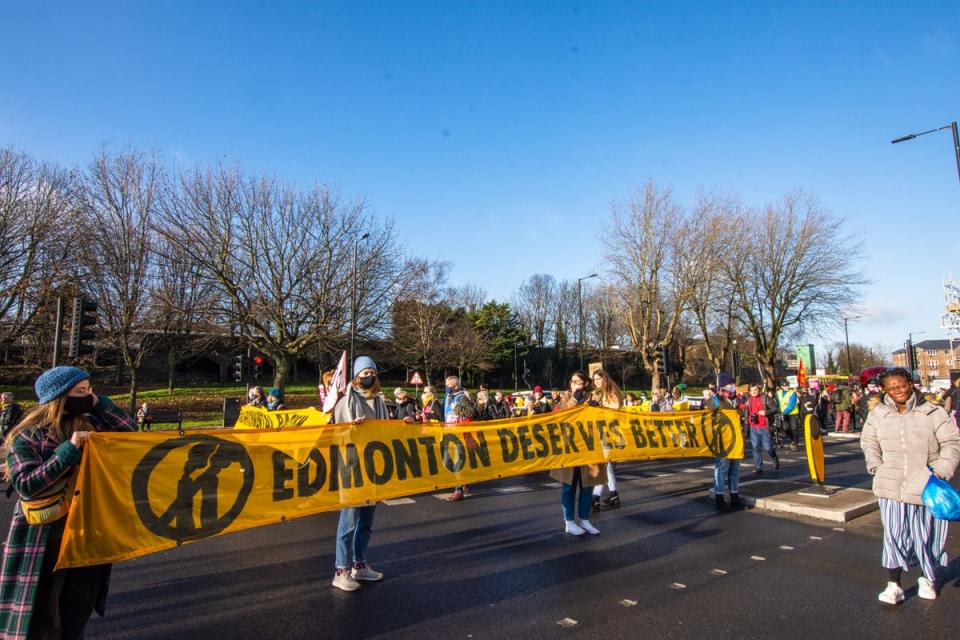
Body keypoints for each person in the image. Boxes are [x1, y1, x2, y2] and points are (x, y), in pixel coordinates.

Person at [0, 366, 135, 638]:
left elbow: (130, 433)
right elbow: (26, 484)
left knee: (77, 612)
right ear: (59, 396)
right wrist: (69, 451)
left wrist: (98, 404)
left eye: (89, 390)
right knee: (43, 618)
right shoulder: (26, 436)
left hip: (87, 532)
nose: (87, 396)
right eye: (80, 392)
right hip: (45, 535)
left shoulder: (91, 423)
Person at [860, 367, 960, 604]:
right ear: (884, 390)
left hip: (925, 485)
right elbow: (869, 442)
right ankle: (894, 584)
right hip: (890, 485)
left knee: (925, 536)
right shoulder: (878, 414)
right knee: (894, 536)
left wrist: (942, 469)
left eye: (902, 385)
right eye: (892, 387)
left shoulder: (931, 412)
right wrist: (875, 466)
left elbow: (952, 441)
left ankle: (927, 577)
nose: (898, 391)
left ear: (911, 384)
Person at [331, 356, 398, 592]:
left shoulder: (379, 401)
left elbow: (387, 431)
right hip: (352, 469)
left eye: (372, 372)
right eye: (365, 372)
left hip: (373, 468)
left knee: (367, 521)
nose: (369, 376)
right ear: (356, 376)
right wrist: (352, 429)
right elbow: (336, 436)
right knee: (348, 522)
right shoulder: (345, 402)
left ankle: (360, 564)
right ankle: (341, 570)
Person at [549, 370, 606, 535]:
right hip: (570, 448)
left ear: (585, 384)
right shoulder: (566, 397)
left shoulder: (593, 397)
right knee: (569, 486)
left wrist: (598, 409)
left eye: (579, 382)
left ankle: (584, 520)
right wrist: (575, 399)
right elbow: (558, 416)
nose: (575, 385)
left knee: (588, 485)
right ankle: (569, 521)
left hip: (588, 448)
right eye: (573, 382)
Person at [591, 369, 623, 510]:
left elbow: (616, 409)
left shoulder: (611, 392)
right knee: (606, 466)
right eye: (595, 379)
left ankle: (597, 498)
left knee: (605, 466)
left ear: (605, 378)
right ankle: (611, 495)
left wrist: (600, 408)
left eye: (599, 379)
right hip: (603, 431)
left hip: (610, 432)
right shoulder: (600, 393)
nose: (597, 382)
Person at [707, 387, 743, 512]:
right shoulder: (716, 400)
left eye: (732, 385)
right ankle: (719, 499)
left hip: (736, 439)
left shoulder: (737, 400)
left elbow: (741, 415)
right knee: (721, 469)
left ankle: (734, 496)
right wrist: (712, 398)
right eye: (728, 386)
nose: (731, 388)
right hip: (722, 440)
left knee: (735, 468)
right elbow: (709, 412)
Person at [443, 376, 477, 502]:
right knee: (447, 462)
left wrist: (456, 407)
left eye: (448, 385)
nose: (446, 387)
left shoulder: (462, 396)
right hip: (449, 433)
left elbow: (470, 413)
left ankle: (458, 490)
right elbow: (446, 414)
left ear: (455, 386)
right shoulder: (448, 396)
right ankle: (465, 480)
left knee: (457, 462)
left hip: (460, 434)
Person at [744, 384, 779, 473]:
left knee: (768, 447)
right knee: (755, 448)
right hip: (753, 427)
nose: (753, 392)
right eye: (751, 390)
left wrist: (766, 412)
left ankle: (774, 458)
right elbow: (745, 412)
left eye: (755, 390)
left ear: (759, 390)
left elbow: (775, 409)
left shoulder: (765, 398)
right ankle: (758, 466)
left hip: (764, 427)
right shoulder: (748, 399)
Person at [776, 381, 801, 451]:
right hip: (784, 414)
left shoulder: (792, 393)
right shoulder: (778, 393)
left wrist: (784, 412)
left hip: (793, 413)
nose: (786, 387)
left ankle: (795, 444)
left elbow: (791, 405)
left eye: (787, 386)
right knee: (785, 428)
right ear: (782, 387)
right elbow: (777, 403)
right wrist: (777, 411)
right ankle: (792, 439)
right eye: (784, 386)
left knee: (794, 428)